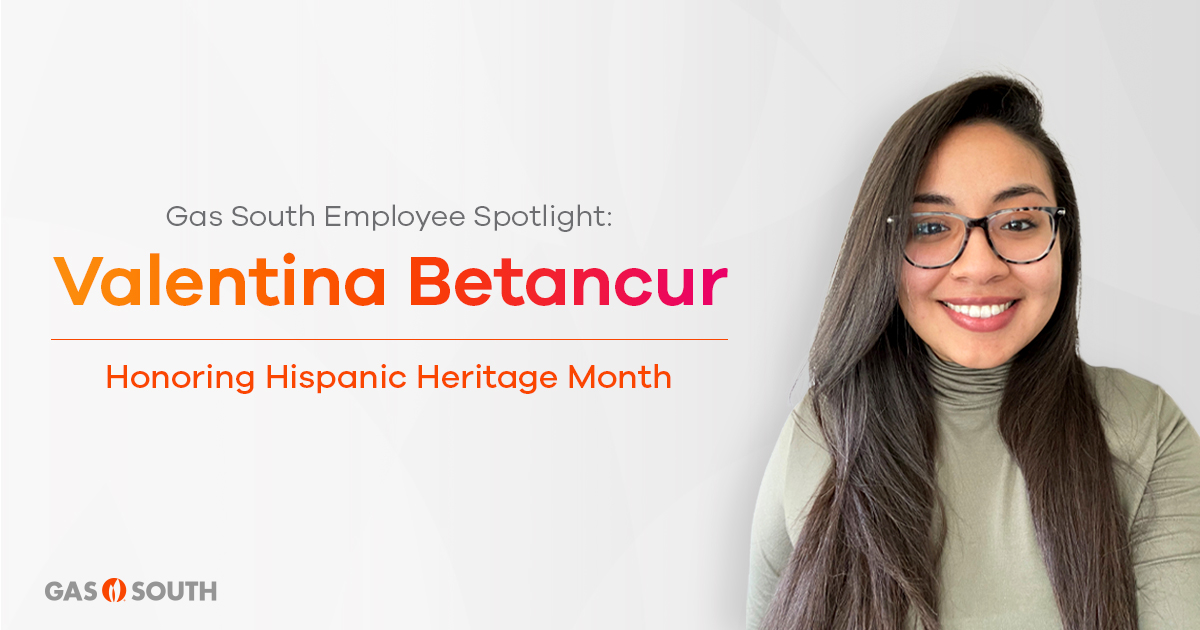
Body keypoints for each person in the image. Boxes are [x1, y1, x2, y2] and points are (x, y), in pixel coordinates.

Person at [745, 75, 1200, 630]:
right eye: (932, 226)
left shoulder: (1145, 429)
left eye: (1018, 223)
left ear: (1063, 240)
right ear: (885, 250)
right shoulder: (819, 432)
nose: (980, 265)